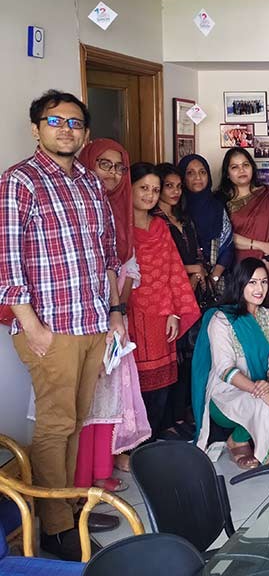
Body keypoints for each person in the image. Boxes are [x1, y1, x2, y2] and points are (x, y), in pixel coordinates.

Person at [0, 91, 127, 558]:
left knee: (75, 422)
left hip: (92, 322)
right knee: (55, 427)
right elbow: (7, 261)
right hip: (51, 327)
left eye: (74, 123)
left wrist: (115, 311)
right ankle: (55, 529)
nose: (65, 129)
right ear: (36, 129)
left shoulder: (90, 183)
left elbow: (107, 254)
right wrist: (32, 327)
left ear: (85, 134)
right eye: (55, 121)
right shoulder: (20, 180)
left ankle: (70, 506)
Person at [75, 139, 150, 492]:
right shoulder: (76, 206)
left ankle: (101, 472)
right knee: (82, 402)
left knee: (108, 397)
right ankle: (78, 484)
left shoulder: (119, 210)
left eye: (119, 167)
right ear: (87, 163)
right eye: (104, 164)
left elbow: (128, 267)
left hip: (114, 319)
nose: (113, 173)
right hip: (78, 319)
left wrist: (117, 311)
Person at [193, 258, 269, 469]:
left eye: (264, 282)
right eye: (252, 282)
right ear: (240, 283)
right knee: (265, 406)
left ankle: (245, 435)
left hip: (263, 385)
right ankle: (238, 440)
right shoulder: (221, 320)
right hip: (226, 393)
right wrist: (261, 392)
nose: (259, 289)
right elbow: (225, 369)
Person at [128, 162, 201, 441]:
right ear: (129, 188)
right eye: (144, 188)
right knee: (132, 381)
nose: (150, 195)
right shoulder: (119, 226)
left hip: (161, 315)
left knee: (161, 383)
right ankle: (134, 444)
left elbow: (173, 270)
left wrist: (174, 312)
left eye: (155, 190)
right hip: (130, 315)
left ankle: (153, 438)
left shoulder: (159, 226)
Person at [154, 162, 208, 438]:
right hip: (168, 294)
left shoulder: (183, 218)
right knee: (171, 355)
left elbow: (197, 253)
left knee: (189, 356)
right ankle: (166, 421)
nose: (175, 191)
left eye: (178, 186)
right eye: (168, 186)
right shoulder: (155, 221)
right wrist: (192, 270)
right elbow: (160, 262)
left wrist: (197, 274)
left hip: (193, 293)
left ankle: (182, 413)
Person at [220, 148, 269, 312]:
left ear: (252, 168)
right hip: (238, 266)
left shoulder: (268, 194)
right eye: (235, 167)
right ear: (227, 173)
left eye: (245, 165)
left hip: (268, 265)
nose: (241, 170)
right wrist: (260, 245)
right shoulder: (221, 201)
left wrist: (268, 258)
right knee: (241, 312)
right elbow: (225, 236)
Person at [177, 153, 234, 289]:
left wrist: (215, 276)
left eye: (202, 172)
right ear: (182, 178)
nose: (198, 177)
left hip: (217, 280)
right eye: (190, 173)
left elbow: (228, 245)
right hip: (182, 280)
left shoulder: (217, 206)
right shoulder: (176, 209)